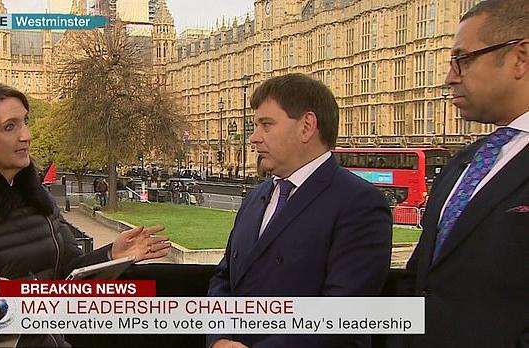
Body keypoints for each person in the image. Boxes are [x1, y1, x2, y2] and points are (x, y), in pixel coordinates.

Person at [0, 82, 171, 347]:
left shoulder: (37, 199)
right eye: (10, 126)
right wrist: (25, 305)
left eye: (24, 122)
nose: (26, 135)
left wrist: (111, 256)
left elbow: (66, 274)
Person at [207, 73, 392, 348]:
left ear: (307, 126)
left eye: (266, 125)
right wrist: (218, 338)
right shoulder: (256, 197)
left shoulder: (360, 204)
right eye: (254, 126)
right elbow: (224, 278)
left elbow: (343, 317)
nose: (254, 138)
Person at [405, 1, 528, 347]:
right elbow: (419, 285)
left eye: (464, 58)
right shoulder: (464, 163)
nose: (449, 77)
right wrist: (287, 317)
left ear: (519, 58)